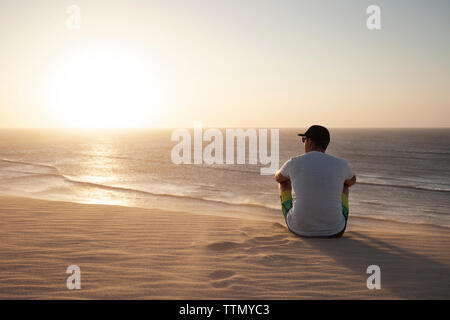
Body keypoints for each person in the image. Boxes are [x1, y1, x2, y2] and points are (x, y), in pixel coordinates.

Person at [275, 125, 356, 238]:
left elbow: (278, 178)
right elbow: (352, 180)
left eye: (304, 140)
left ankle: (298, 215)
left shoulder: (294, 162)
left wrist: (297, 177)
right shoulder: (341, 164)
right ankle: (331, 219)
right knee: (345, 185)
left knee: (283, 183)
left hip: (298, 228)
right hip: (335, 230)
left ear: (310, 141)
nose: (303, 143)